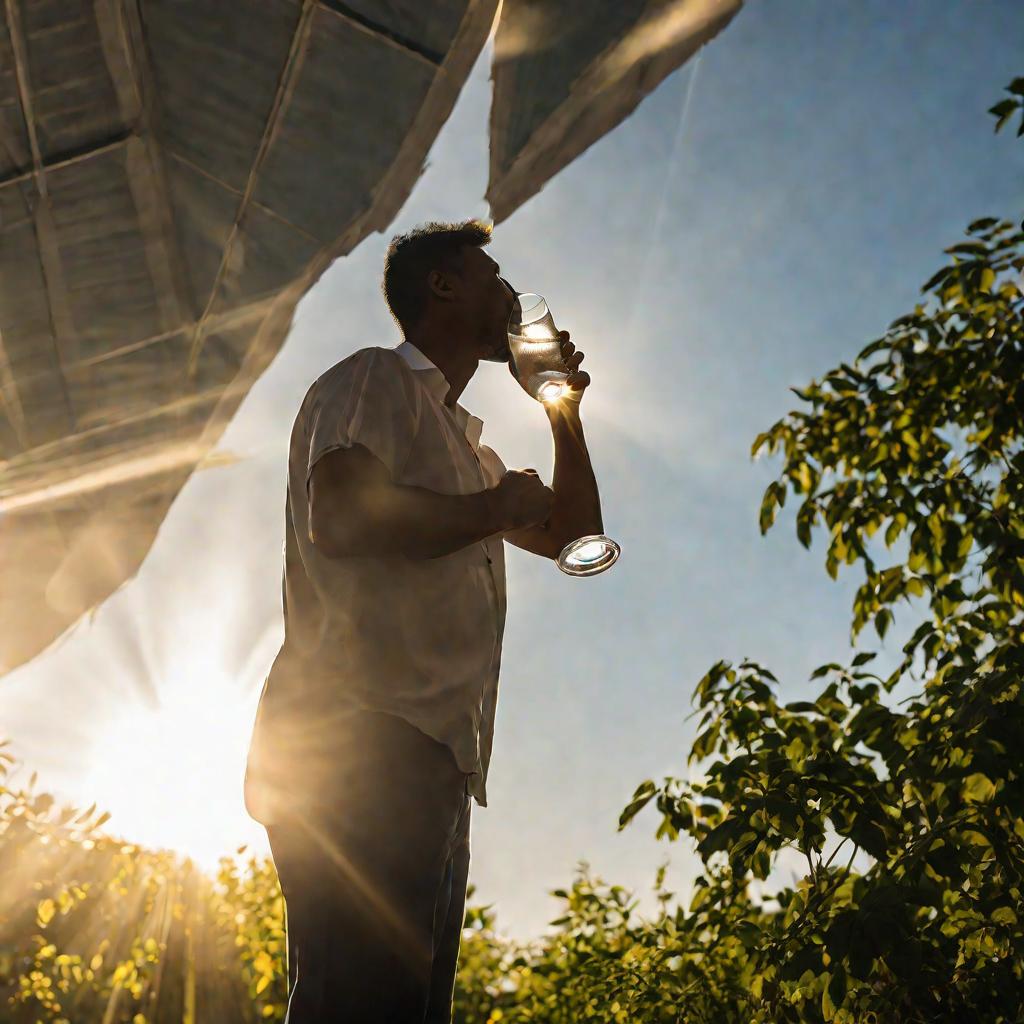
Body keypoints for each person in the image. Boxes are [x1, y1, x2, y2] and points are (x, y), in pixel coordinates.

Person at [243, 219, 605, 1022]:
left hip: (436, 764)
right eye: (493, 277)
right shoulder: (375, 378)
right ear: (441, 285)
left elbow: (575, 537)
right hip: (355, 742)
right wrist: (493, 509)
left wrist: (561, 404)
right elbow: (339, 518)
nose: (510, 295)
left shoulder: (469, 451)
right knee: (355, 1001)